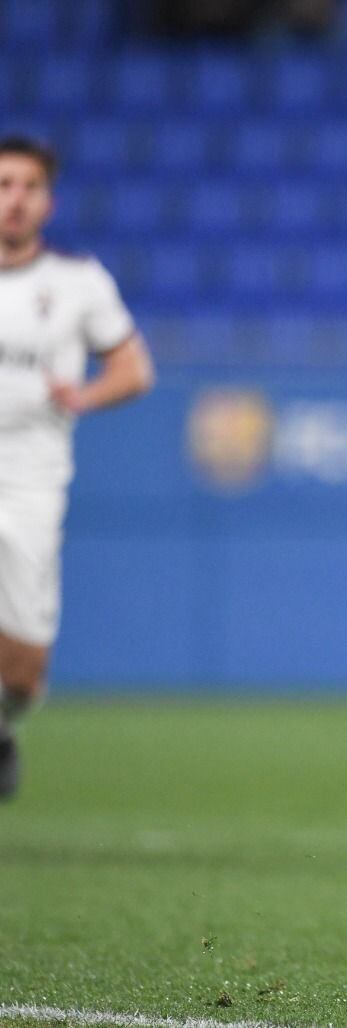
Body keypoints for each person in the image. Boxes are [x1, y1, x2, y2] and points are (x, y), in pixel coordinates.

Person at [0, 136, 156, 799]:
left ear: (48, 201)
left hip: (32, 481)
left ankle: (4, 727)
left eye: (28, 187)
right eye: (4, 184)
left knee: (25, 671)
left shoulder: (77, 284)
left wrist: (84, 396)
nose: (15, 200)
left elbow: (135, 368)